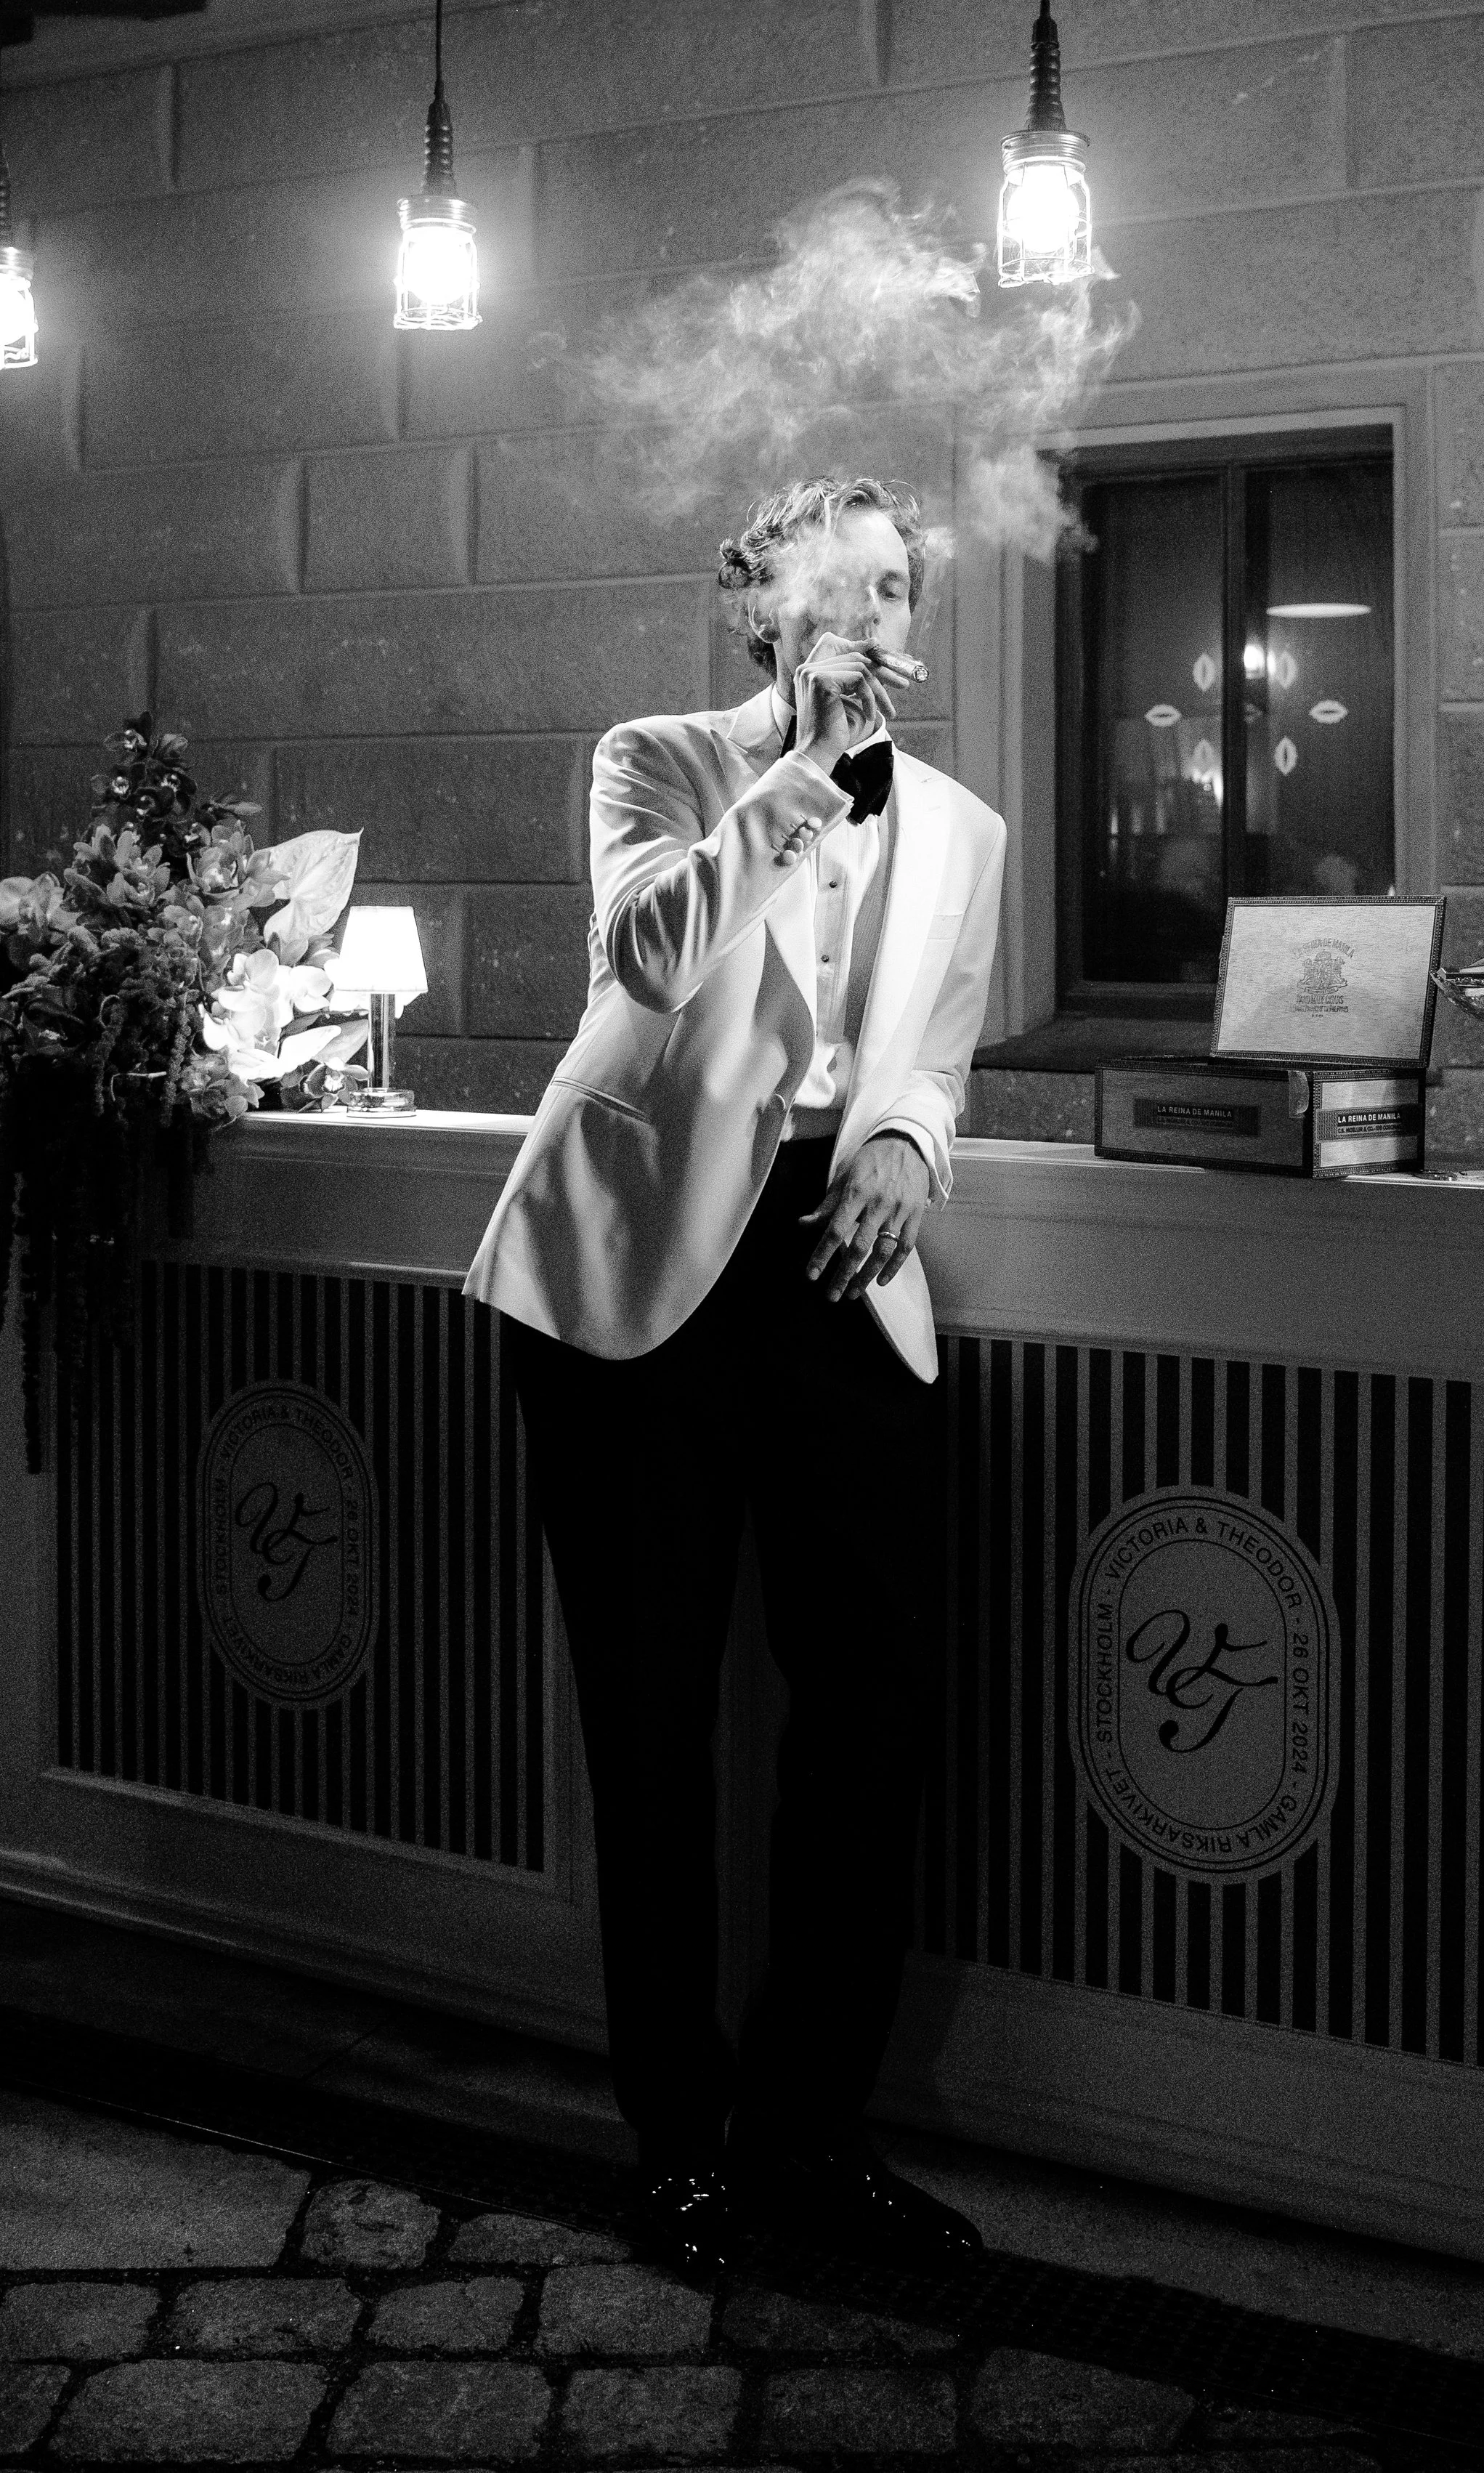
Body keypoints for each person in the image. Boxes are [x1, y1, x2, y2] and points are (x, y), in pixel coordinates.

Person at [463, 474, 1007, 2278]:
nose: (864, 610)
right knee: (652, 1719)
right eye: (826, 586)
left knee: (874, 1705)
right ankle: (677, 2142)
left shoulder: (965, 827)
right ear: (756, 612)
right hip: (631, 1284)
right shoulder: (659, 759)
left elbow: (929, 1053)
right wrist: (793, 784)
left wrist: (909, 1148)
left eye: (888, 586)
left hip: (835, 1271)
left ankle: (805, 2133)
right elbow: (641, 955)